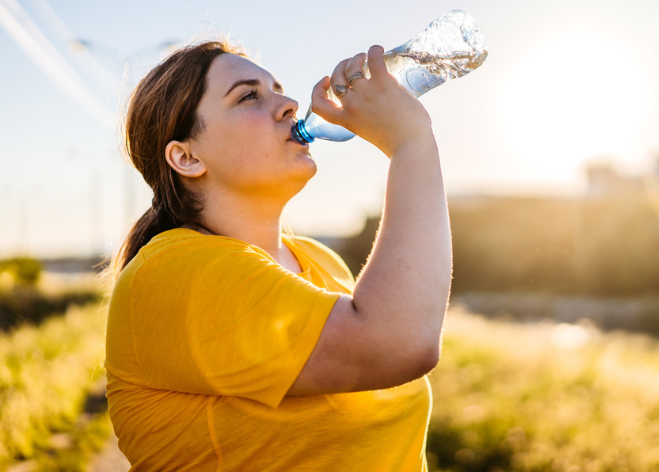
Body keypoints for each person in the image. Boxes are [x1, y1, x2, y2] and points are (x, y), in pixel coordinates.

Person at [104, 38, 452, 471]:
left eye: (279, 89)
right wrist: (411, 143)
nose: (289, 105)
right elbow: (398, 344)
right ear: (187, 157)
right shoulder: (172, 272)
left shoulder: (318, 260)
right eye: (249, 95)